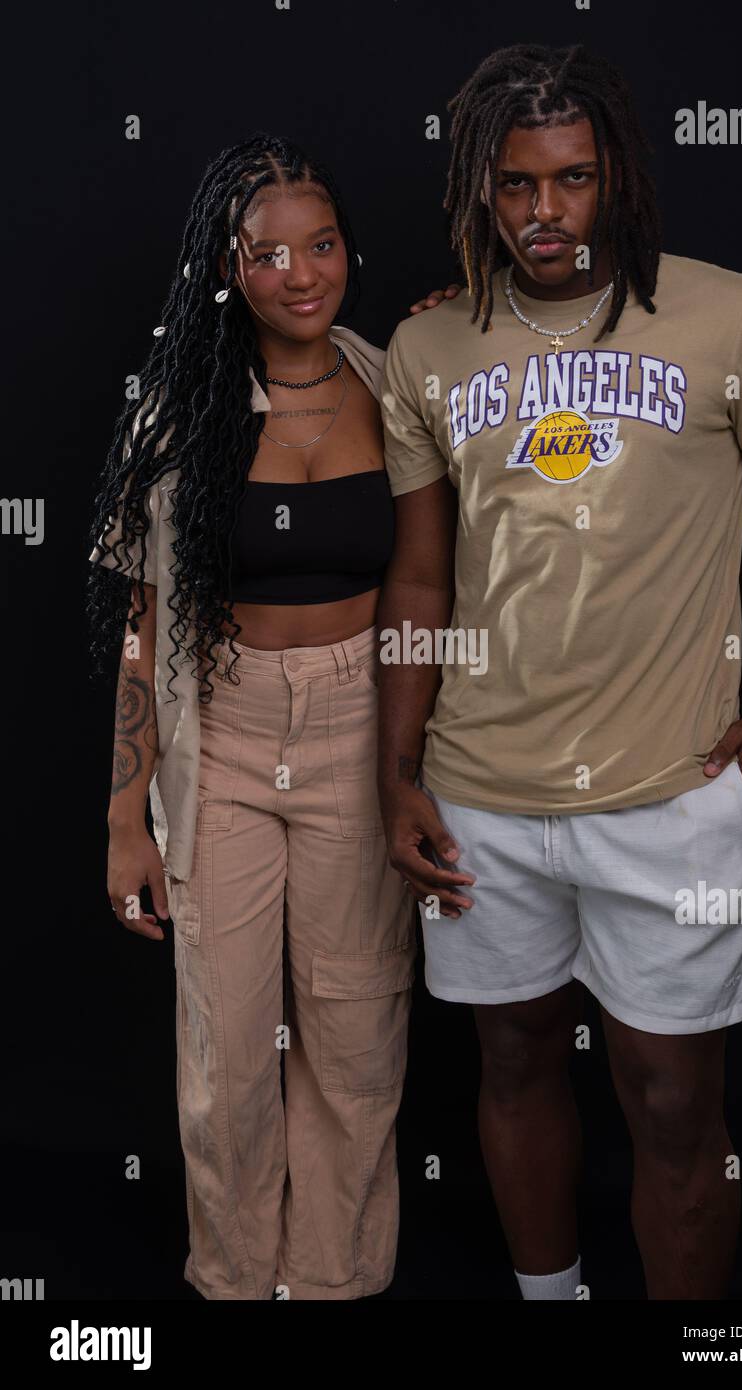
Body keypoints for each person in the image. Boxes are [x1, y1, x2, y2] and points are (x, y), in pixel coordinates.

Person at [376, 44, 742, 1299]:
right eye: (518, 184)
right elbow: (421, 577)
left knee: (676, 1103)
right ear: (480, 186)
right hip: (483, 791)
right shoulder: (430, 346)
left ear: (618, 179)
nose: (546, 212)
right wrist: (396, 768)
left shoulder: (736, 315)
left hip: (673, 794)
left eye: (573, 180)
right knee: (516, 1068)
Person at [87, 133, 455, 1300]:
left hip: (362, 725)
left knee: (355, 1034)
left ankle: (335, 1281)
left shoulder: (394, 378)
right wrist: (124, 817)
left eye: (325, 244)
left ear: (351, 249)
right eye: (269, 254)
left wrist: (453, 331)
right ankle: (240, 1280)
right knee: (229, 1051)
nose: (303, 273)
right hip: (226, 734)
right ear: (228, 268)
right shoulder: (178, 409)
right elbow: (142, 629)